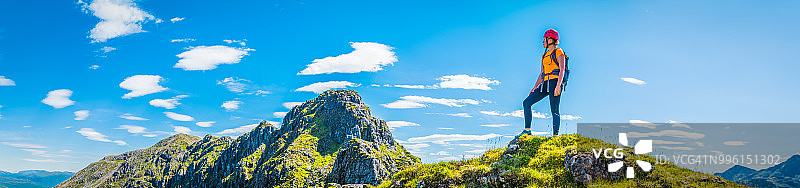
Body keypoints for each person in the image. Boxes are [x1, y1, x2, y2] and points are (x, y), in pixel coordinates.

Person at [520, 29, 567, 137]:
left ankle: (555, 136)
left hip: (555, 81)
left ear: (550, 39)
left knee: (554, 109)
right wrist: (535, 87)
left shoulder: (559, 51)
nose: (542, 42)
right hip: (545, 83)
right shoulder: (544, 56)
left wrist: (558, 86)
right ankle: (527, 130)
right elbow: (542, 73)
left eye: (544, 39)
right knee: (526, 103)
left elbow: (562, 69)